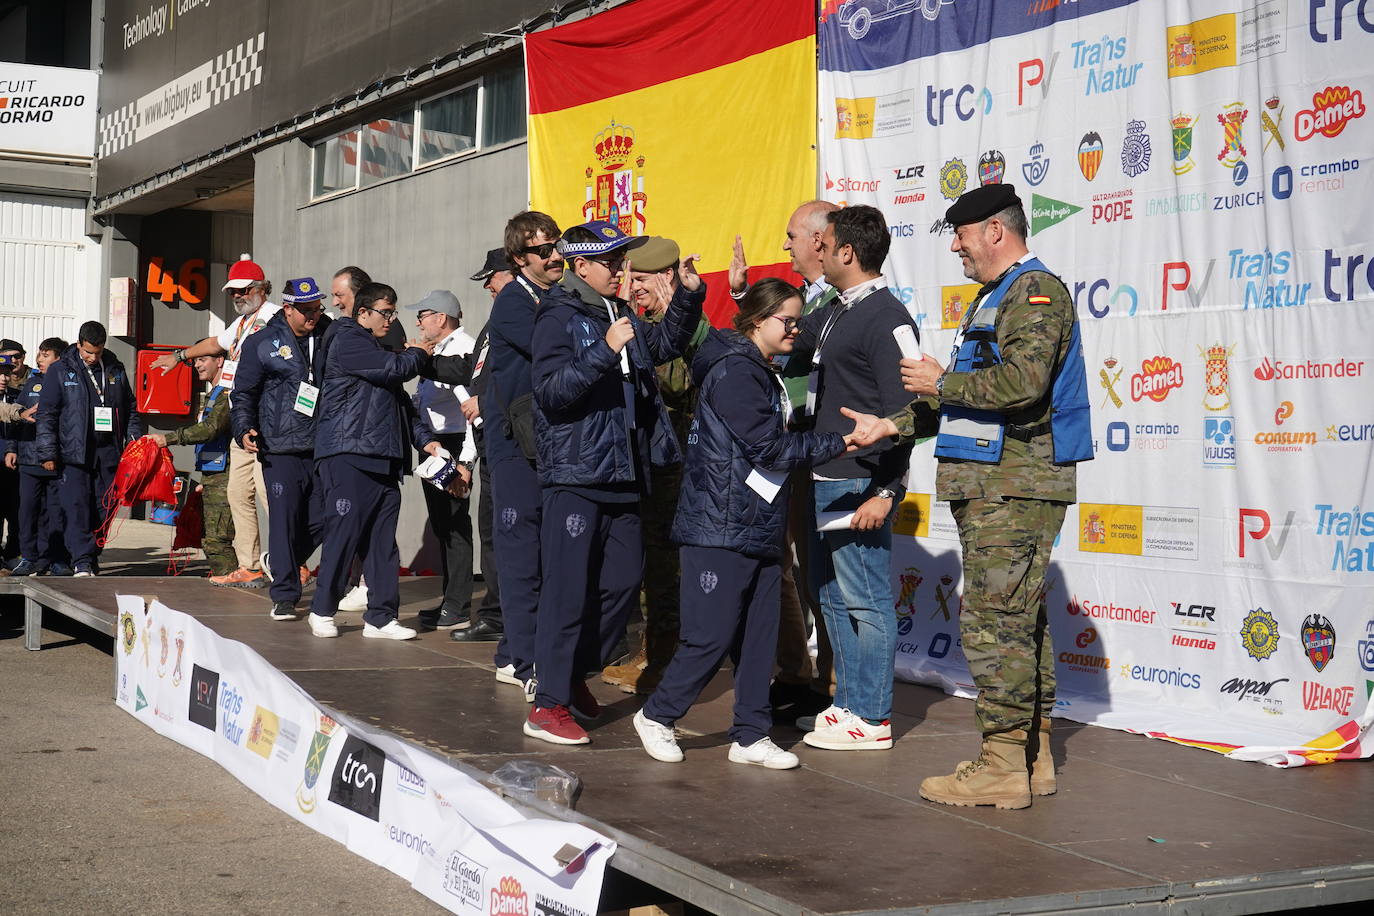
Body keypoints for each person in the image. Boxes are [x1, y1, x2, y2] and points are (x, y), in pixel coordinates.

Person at [844, 184, 1092, 809]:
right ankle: (1030, 761)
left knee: (995, 624)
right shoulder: (997, 296)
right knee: (1018, 623)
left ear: (995, 232)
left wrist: (941, 379)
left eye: (961, 232)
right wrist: (893, 424)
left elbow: (1023, 384)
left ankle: (1002, 767)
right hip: (995, 487)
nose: (955, 244)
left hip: (1014, 487)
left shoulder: (1037, 293)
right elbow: (959, 402)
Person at [633, 278, 849, 769]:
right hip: (719, 525)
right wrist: (843, 442)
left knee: (759, 635)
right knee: (708, 636)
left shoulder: (756, 366)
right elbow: (768, 447)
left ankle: (750, 734)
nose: (797, 329)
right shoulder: (735, 370)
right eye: (788, 321)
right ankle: (657, 715)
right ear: (757, 322)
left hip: (756, 523)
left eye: (799, 319)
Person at [524, 220, 704, 746]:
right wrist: (603, 350)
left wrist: (690, 299)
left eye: (622, 259)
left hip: (624, 471)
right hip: (576, 473)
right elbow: (552, 393)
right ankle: (548, 702)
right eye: (610, 261)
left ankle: (570, 676)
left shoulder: (618, 311)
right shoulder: (557, 314)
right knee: (566, 590)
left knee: (623, 584)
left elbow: (665, 342)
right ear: (581, 267)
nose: (621, 270)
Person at [789, 205, 916, 752]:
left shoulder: (889, 317)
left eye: (826, 242)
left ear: (846, 252)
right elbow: (790, 348)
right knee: (830, 595)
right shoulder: (836, 310)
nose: (816, 248)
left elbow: (910, 412)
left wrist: (888, 491)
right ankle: (844, 706)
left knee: (865, 599)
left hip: (861, 481)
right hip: (825, 472)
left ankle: (873, 715)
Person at [730, 201, 842, 723]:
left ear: (819, 240)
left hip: (820, 454)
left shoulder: (838, 302)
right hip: (786, 452)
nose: (786, 245)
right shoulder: (806, 301)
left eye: (792, 235)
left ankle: (832, 683)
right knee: (784, 567)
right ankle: (797, 672)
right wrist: (739, 299)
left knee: (826, 576)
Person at [602, 236, 711, 695]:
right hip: (649, 458)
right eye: (628, 277)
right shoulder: (645, 321)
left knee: (666, 565)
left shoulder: (688, 325)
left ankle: (661, 659)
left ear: (668, 276)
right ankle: (652, 648)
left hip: (679, 462)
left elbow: (676, 385)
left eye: (641, 279)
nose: (632, 287)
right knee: (650, 562)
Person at [307, 282, 438, 640]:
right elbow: (395, 369)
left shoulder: (376, 348)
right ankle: (321, 609)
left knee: (383, 543)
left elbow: (400, 405)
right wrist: (419, 353)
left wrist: (426, 442)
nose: (390, 320)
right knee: (344, 533)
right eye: (385, 312)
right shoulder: (348, 338)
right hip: (349, 454)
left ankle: (381, 616)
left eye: (393, 313)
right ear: (362, 312)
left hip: (383, 457)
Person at [475, 212, 565, 694]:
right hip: (513, 448)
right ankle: (526, 661)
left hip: (544, 445)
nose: (555, 256)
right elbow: (555, 351)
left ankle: (513, 652)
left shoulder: (553, 297)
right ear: (518, 258)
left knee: (540, 555)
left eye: (557, 246)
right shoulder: (513, 302)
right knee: (520, 555)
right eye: (543, 250)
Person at [151, 254, 280, 587]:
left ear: (262, 288)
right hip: (243, 420)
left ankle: (291, 561)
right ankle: (250, 566)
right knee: (238, 495)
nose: (237, 296)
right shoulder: (241, 324)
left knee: (271, 497)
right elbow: (213, 344)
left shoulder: (275, 317)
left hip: (266, 423)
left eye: (243, 290)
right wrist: (179, 356)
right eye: (233, 292)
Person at [231, 277, 332, 619]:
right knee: (285, 521)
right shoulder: (262, 342)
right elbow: (243, 393)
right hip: (281, 445)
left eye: (316, 309)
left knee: (329, 515)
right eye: (305, 311)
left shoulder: (330, 334)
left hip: (324, 444)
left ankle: (281, 558)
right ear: (287, 309)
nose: (312, 316)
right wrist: (244, 428)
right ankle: (285, 596)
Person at [35, 321, 145, 577]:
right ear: (78, 344)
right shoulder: (61, 370)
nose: (93, 357)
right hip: (74, 454)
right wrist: (48, 452)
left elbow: (129, 408)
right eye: (88, 352)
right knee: (77, 507)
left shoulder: (114, 368)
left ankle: (92, 555)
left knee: (104, 508)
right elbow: (47, 414)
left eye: (98, 352)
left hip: (108, 453)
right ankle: (81, 560)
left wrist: (134, 442)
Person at [406, 289, 478, 631]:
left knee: (455, 528)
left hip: (453, 445)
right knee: (443, 527)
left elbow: (470, 412)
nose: (418, 322)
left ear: (441, 318)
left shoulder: (463, 350)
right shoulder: (441, 350)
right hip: (435, 444)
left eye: (422, 315)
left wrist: (465, 463)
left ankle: (458, 605)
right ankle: (450, 598)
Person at [148, 353, 236, 580]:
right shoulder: (213, 393)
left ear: (220, 361)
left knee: (218, 538)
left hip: (225, 474)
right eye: (195, 361)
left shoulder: (227, 393)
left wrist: (168, 439)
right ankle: (222, 577)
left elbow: (210, 428)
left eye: (203, 359)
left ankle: (228, 582)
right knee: (207, 535)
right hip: (211, 472)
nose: (197, 364)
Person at [4, 337, 70, 576]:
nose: (39, 359)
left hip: (56, 462)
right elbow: (17, 418)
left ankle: (55, 559)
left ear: (59, 359)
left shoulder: (69, 385)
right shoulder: (32, 385)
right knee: (27, 510)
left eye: (45, 355)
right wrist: (12, 448)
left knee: (55, 512)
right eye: (39, 354)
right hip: (29, 460)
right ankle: (28, 557)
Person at [1, 338, 29, 563]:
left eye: (7, 373)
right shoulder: (11, 405)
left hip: (12, 466)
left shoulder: (15, 397)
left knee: (17, 512)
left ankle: (13, 554)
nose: (4, 378)